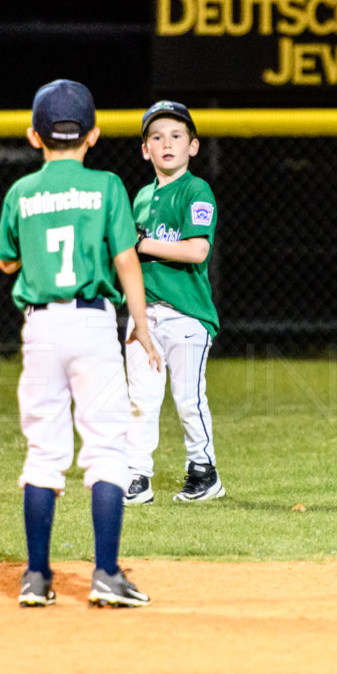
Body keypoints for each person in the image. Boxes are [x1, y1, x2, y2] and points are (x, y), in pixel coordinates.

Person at [0, 78, 161, 608]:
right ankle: (106, 574)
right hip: (92, 324)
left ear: (33, 136)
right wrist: (141, 324)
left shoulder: (21, 192)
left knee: (44, 452)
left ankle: (37, 578)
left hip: (41, 327)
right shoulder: (108, 186)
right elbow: (126, 258)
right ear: (94, 135)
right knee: (107, 447)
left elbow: (6, 260)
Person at [123, 101, 223, 505]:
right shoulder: (142, 196)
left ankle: (204, 470)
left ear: (193, 147)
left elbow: (198, 250)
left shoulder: (196, 190)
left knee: (187, 398)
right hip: (143, 315)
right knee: (140, 399)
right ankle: (137, 476)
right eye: (157, 137)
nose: (167, 143)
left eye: (177, 136)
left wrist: (141, 243)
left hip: (186, 314)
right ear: (145, 150)